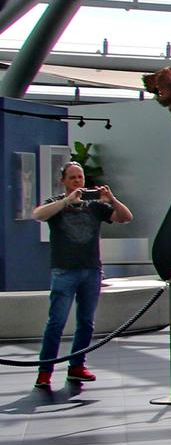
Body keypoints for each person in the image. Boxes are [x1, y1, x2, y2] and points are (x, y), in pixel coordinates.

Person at [30, 161, 132, 388]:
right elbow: (38, 214)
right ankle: (45, 370)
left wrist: (112, 199)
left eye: (80, 177)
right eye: (73, 177)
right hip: (64, 271)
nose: (78, 181)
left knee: (86, 322)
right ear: (63, 181)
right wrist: (67, 201)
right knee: (56, 322)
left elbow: (125, 217)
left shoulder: (95, 206)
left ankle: (77, 366)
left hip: (91, 271)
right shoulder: (56, 204)